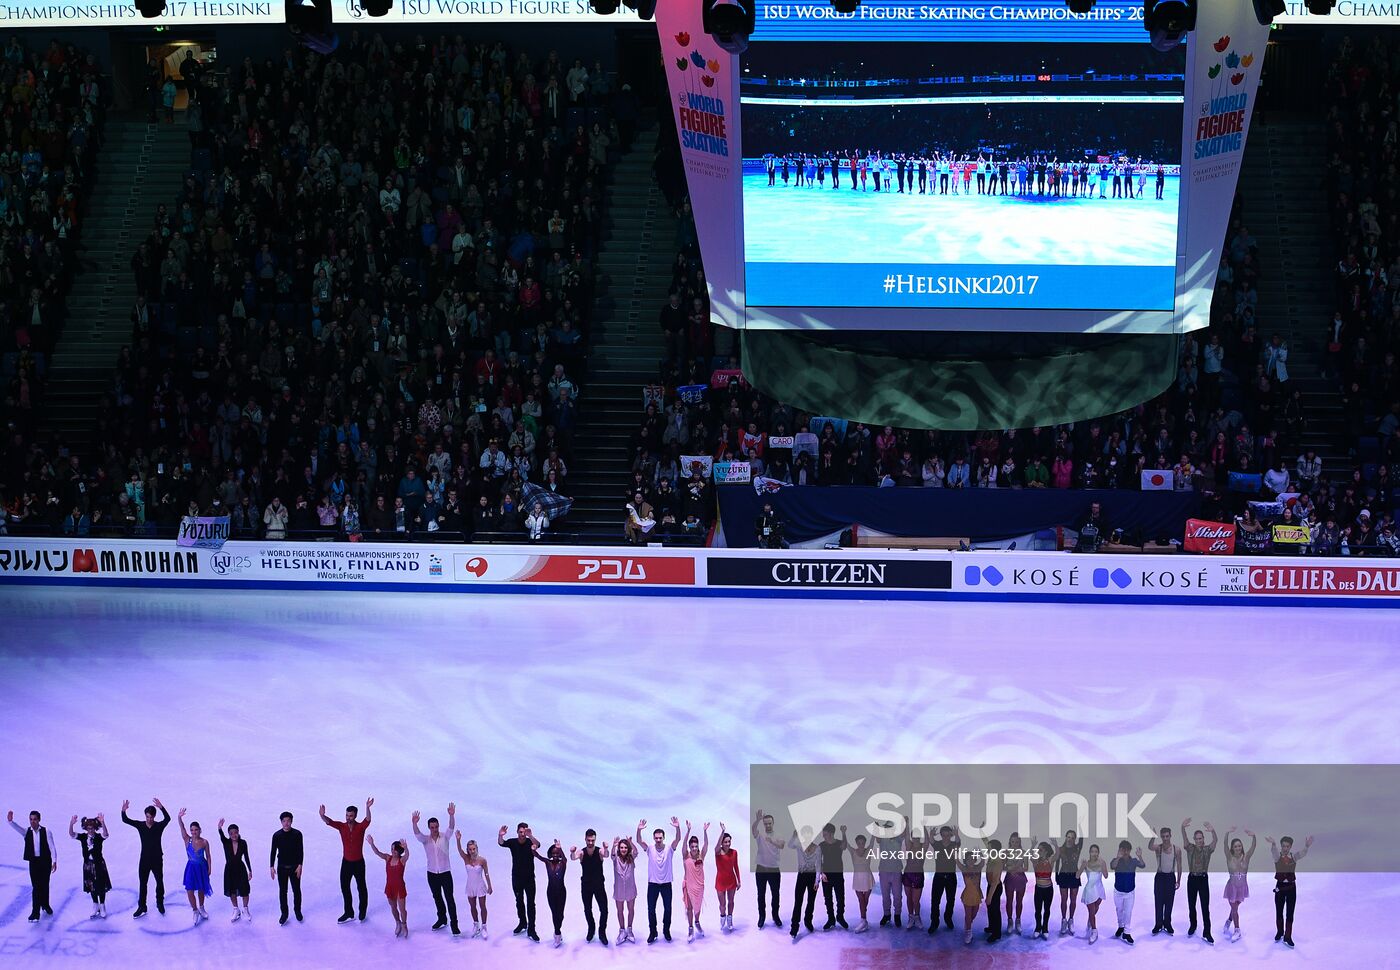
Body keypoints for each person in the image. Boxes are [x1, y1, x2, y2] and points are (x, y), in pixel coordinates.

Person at [320, 798, 373, 923]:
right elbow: (329, 822)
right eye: (347, 815)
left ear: (355, 816)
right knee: (345, 887)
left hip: (359, 863)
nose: (348, 817)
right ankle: (349, 912)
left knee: (361, 887)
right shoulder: (341, 826)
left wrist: (367, 808)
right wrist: (322, 815)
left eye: (351, 816)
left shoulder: (360, 827)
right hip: (346, 863)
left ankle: (362, 911)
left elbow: (368, 819)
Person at [414, 804, 461, 935]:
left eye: (436, 827)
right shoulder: (426, 839)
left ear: (438, 826)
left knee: (449, 898)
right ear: (429, 828)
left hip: (445, 873)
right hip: (432, 873)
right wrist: (414, 823)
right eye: (432, 827)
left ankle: (454, 924)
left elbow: (451, 827)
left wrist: (451, 815)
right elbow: (417, 834)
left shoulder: (445, 837)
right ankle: (442, 918)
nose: (434, 829)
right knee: (437, 897)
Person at [121, 798, 170, 918]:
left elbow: (168, 819)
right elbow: (125, 820)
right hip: (144, 860)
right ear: (145, 816)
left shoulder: (159, 826)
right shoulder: (140, 825)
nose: (149, 819)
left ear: (154, 816)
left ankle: (160, 903)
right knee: (143, 883)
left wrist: (162, 807)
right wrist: (123, 810)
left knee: (159, 882)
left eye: (151, 817)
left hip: (157, 859)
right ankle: (142, 906)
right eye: (147, 817)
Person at [637, 816, 681, 943]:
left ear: (663, 838)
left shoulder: (669, 849)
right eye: (656, 838)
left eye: (660, 838)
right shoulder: (650, 848)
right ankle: (653, 932)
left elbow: (678, 839)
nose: (658, 840)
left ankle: (666, 930)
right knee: (651, 909)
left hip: (666, 884)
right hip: (653, 884)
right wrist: (639, 830)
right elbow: (639, 841)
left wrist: (677, 827)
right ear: (653, 838)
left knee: (668, 909)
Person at [8, 809, 56, 922]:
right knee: (36, 887)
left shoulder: (46, 831)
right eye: (31, 819)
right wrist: (11, 822)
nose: (32, 821)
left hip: (45, 862)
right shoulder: (27, 832)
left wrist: (54, 861)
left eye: (34, 819)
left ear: (39, 820)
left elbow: (52, 847)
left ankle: (45, 904)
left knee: (44, 885)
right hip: (34, 863)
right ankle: (35, 912)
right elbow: (18, 828)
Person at [498, 821, 540, 941]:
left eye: (525, 832)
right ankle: (522, 923)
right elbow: (501, 843)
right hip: (516, 878)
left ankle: (532, 929)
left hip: (529, 879)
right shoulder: (512, 842)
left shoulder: (530, 842)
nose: (523, 834)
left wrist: (531, 836)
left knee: (531, 904)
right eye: (521, 832)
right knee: (519, 901)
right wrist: (500, 835)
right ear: (517, 832)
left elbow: (538, 844)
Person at [1268, 833, 1312, 948]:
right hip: (1280, 887)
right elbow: (1274, 852)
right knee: (1279, 911)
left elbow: (1302, 854)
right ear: (1281, 846)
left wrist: (1306, 846)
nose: (1285, 848)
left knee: (1290, 913)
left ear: (1290, 847)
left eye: (1287, 846)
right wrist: (1273, 844)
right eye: (1283, 846)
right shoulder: (1277, 857)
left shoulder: (1294, 856)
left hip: (1292, 887)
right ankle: (1279, 931)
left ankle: (1288, 936)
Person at [367, 835, 410, 938]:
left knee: (402, 909)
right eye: (392, 849)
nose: (392, 851)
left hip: (399, 887)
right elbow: (378, 853)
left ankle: (404, 925)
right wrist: (372, 843)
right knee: (393, 907)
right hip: (390, 887)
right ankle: (398, 922)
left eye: (395, 850)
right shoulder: (387, 858)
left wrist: (406, 848)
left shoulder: (402, 861)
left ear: (399, 851)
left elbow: (407, 855)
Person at [69, 814, 112, 919]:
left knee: (101, 886)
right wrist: (71, 823)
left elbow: (106, 834)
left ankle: (102, 905)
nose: (90, 831)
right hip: (88, 865)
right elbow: (71, 834)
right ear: (86, 828)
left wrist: (102, 822)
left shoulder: (98, 837)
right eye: (88, 829)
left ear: (95, 828)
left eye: (92, 828)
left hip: (99, 864)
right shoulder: (83, 837)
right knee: (91, 886)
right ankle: (95, 905)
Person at [1182, 817, 1218, 943]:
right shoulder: (1190, 848)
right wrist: (1182, 828)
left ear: (1203, 839)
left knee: (1205, 906)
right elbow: (1185, 841)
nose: (1198, 840)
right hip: (1192, 879)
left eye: (1200, 838)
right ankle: (1193, 925)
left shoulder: (1208, 850)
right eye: (1196, 838)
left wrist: (1213, 831)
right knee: (1191, 905)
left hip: (1203, 880)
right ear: (1194, 840)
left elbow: (1215, 841)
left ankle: (1207, 932)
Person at [571, 829, 609, 944]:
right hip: (586, 886)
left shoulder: (599, 851)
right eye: (588, 840)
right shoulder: (582, 852)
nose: (591, 842)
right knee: (587, 909)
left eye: (592, 840)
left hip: (599, 885)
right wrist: (572, 852)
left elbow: (606, 855)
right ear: (585, 839)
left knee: (604, 910)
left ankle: (602, 932)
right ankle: (591, 928)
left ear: (595, 839)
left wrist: (606, 848)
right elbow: (573, 858)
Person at [177, 809, 213, 925]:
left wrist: (209, 867)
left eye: (196, 830)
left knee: (201, 889)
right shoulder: (187, 839)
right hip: (191, 868)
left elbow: (208, 855)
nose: (194, 832)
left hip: (202, 867)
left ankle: (201, 908)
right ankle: (195, 910)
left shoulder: (205, 842)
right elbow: (182, 829)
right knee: (189, 891)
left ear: (200, 830)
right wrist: (179, 818)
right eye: (192, 830)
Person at [270, 811, 305, 925]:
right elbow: (273, 851)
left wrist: (300, 865)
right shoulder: (276, 835)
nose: (286, 823)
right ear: (281, 822)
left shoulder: (297, 834)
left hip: (294, 867)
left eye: (288, 821)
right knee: (283, 892)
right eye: (284, 821)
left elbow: (300, 851)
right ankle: (284, 913)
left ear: (291, 821)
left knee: (296, 891)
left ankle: (297, 911)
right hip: (282, 868)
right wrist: (271, 866)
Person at [1222, 827, 1256, 942]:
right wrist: (1227, 833)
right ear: (1232, 848)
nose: (1238, 848)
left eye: (1239, 846)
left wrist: (1253, 837)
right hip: (1232, 888)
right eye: (1235, 846)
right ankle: (1237, 930)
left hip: (1242, 888)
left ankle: (1229, 920)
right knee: (1235, 908)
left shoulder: (1246, 857)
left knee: (1235, 907)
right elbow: (1225, 846)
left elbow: (1253, 848)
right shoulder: (1229, 857)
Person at [751, 809, 784, 929]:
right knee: (761, 894)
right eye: (765, 823)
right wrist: (758, 820)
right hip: (761, 869)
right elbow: (753, 830)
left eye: (770, 823)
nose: (768, 825)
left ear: (773, 823)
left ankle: (775, 916)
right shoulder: (760, 834)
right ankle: (762, 917)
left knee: (775, 894)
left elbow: (782, 845)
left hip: (774, 869)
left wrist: (772, 841)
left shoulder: (778, 834)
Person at [456, 832, 492, 939]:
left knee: (482, 906)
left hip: (480, 885)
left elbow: (486, 873)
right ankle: (476, 925)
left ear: (477, 848)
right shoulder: (466, 858)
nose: (472, 851)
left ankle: (484, 926)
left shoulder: (482, 860)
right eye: (470, 849)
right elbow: (459, 850)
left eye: (474, 849)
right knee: (472, 906)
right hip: (470, 886)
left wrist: (489, 886)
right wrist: (458, 839)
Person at [535, 839, 569, 948]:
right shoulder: (548, 862)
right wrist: (533, 849)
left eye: (557, 853)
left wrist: (560, 848)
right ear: (550, 854)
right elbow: (537, 856)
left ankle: (557, 931)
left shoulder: (562, 863)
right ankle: (557, 934)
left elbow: (565, 858)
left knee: (561, 915)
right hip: (550, 892)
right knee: (554, 913)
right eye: (553, 853)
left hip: (561, 892)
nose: (555, 855)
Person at [789, 825, 820, 941]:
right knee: (798, 901)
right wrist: (793, 836)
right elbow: (790, 845)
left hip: (812, 876)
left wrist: (817, 880)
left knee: (811, 901)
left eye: (809, 833)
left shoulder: (817, 848)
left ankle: (808, 921)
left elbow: (819, 865)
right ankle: (794, 927)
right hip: (801, 876)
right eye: (805, 833)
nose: (807, 835)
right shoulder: (798, 845)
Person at [1148, 824, 1181, 935]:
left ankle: (1167, 923)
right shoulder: (1159, 848)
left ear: (1170, 835)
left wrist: (1178, 880)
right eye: (1163, 836)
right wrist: (1153, 836)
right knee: (1159, 901)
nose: (1165, 838)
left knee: (1169, 902)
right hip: (1160, 877)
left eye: (1167, 836)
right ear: (1161, 837)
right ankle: (1158, 924)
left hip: (1170, 877)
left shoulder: (1176, 849)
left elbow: (1180, 865)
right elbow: (1150, 847)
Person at [218, 819, 253, 922]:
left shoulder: (243, 843)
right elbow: (221, 835)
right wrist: (219, 827)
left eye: (235, 832)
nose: (234, 835)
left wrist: (250, 870)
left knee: (245, 890)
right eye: (231, 833)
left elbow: (246, 857)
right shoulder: (226, 842)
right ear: (229, 834)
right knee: (232, 890)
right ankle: (236, 909)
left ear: (238, 832)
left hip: (241, 869)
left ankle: (245, 909)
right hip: (229, 870)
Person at [680, 821, 709, 941]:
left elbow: (706, 844)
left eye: (696, 846)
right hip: (689, 886)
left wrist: (705, 831)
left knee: (697, 906)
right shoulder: (685, 855)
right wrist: (687, 831)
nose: (694, 848)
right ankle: (690, 927)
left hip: (699, 886)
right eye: (692, 846)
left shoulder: (701, 855)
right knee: (690, 908)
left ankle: (697, 922)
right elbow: (683, 845)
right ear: (689, 847)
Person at [1111, 841, 1145, 944]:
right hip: (1118, 891)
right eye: (1122, 849)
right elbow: (1112, 866)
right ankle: (1121, 926)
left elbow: (1143, 865)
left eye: (1127, 849)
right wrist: (1117, 857)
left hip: (1130, 892)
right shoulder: (1116, 861)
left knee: (1128, 912)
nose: (1125, 852)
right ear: (1120, 850)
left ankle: (1127, 932)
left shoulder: (1134, 861)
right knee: (1119, 910)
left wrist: (1140, 856)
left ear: (1130, 850)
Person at [928, 824, 958, 933]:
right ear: (941, 835)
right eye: (944, 835)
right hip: (939, 877)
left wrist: (956, 834)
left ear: (950, 835)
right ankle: (934, 922)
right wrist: (931, 834)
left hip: (951, 877)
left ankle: (948, 918)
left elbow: (958, 842)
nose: (946, 837)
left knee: (951, 900)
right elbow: (931, 841)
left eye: (948, 835)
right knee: (935, 901)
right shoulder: (938, 844)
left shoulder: (954, 844)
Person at [819, 822, 849, 930]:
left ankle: (840, 917)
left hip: (838, 875)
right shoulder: (821, 845)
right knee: (828, 898)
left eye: (825, 833)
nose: (823, 835)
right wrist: (822, 873)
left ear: (831, 833)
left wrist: (843, 833)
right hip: (826, 875)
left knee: (840, 898)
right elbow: (819, 861)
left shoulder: (839, 843)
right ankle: (831, 919)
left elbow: (844, 846)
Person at [874, 818, 903, 928]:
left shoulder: (899, 838)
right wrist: (876, 827)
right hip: (884, 871)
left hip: (896, 871)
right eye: (886, 828)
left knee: (897, 896)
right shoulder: (882, 838)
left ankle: (897, 915)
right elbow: (877, 837)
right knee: (885, 895)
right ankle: (886, 914)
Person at [1079, 843, 1109, 944]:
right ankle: (1094, 931)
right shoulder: (1086, 863)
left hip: (1099, 889)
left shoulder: (1102, 862)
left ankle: (1090, 921)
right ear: (1089, 853)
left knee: (1095, 909)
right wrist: (1082, 866)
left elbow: (1106, 876)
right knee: (1092, 912)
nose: (1094, 853)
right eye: (1092, 851)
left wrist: (1103, 865)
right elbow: (1077, 876)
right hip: (1090, 890)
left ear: (1098, 853)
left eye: (1096, 852)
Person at [1056, 828, 1083, 936]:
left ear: (1075, 839)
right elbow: (1057, 863)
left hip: (1074, 876)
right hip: (1063, 875)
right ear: (1065, 837)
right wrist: (1056, 875)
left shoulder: (1077, 848)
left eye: (1072, 838)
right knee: (1064, 899)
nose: (1070, 839)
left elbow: (1082, 840)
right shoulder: (1061, 849)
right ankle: (1063, 920)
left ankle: (1071, 919)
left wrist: (1081, 827)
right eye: (1068, 837)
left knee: (1073, 899)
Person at [958, 832, 984, 945]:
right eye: (968, 859)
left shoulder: (978, 867)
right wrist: (956, 849)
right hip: (968, 895)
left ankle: (968, 924)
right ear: (966, 861)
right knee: (968, 915)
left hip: (977, 894)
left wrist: (980, 854)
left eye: (972, 858)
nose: (971, 860)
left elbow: (983, 861)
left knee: (974, 914)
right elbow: (956, 860)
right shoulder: (964, 869)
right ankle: (968, 931)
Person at [612, 835, 639, 943]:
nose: (623, 849)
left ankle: (630, 929)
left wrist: (630, 842)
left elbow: (636, 851)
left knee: (631, 909)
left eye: (625, 847)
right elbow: (612, 853)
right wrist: (614, 845)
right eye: (621, 847)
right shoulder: (615, 859)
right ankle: (622, 930)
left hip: (630, 888)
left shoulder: (631, 858)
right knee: (620, 910)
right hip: (618, 889)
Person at [714, 824, 740, 932]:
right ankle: (722, 916)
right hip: (720, 881)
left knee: (731, 901)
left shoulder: (734, 852)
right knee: (722, 904)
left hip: (731, 881)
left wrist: (739, 880)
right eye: (725, 842)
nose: (727, 844)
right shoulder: (718, 852)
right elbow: (716, 846)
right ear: (721, 843)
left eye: (729, 841)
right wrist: (722, 831)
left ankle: (730, 918)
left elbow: (736, 867)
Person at [847, 832, 874, 932]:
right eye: (859, 843)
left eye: (862, 843)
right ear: (856, 843)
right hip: (857, 879)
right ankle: (864, 920)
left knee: (865, 900)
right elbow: (847, 845)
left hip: (867, 878)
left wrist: (875, 832)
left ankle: (863, 920)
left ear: (865, 843)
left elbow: (872, 842)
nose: (861, 844)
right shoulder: (853, 851)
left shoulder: (868, 850)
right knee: (861, 900)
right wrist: (844, 833)